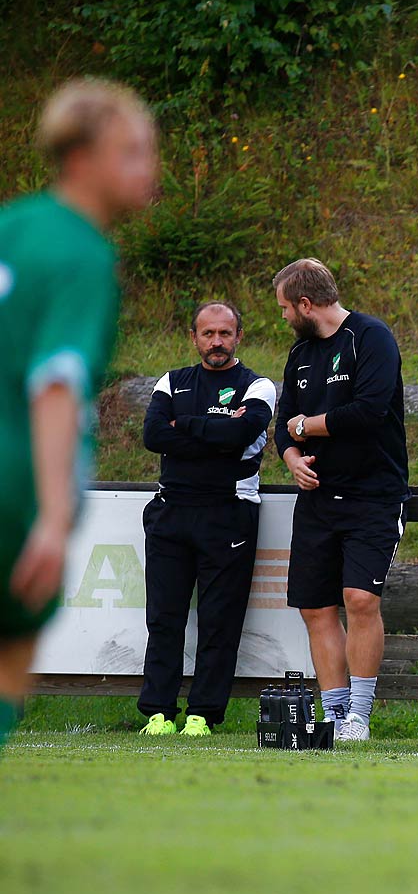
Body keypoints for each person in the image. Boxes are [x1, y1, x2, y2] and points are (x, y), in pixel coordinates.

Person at [0, 79, 158, 752]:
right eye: (131, 150)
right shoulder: (84, 254)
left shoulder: (14, 223)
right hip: (16, 476)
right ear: (82, 157)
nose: (149, 166)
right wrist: (55, 517)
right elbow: (56, 383)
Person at [273, 258, 409, 744]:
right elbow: (282, 420)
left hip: (373, 495)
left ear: (307, 304)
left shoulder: (371, 338)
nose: (285, 316)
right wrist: (291, 456)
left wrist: (307, 427)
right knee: (316, 608)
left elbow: (368, 411)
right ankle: (333, 715)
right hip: (317, 500)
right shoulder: (300, 354)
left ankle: (359, 715)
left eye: (287, 308)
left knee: (360, 599)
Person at [136, 301, 276, 737]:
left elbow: (239, 435)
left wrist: (185, 427)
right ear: (194, 337)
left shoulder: (259, 386)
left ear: (239, 337)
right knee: (164, 617)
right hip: (171, 512)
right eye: (208, 333)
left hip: (228, 513)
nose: (217, 341)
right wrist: (212, 434)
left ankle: (203, 714)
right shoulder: (172, 381)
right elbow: (153, 435)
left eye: (225, 333)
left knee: (219, 619)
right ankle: (158, 711)